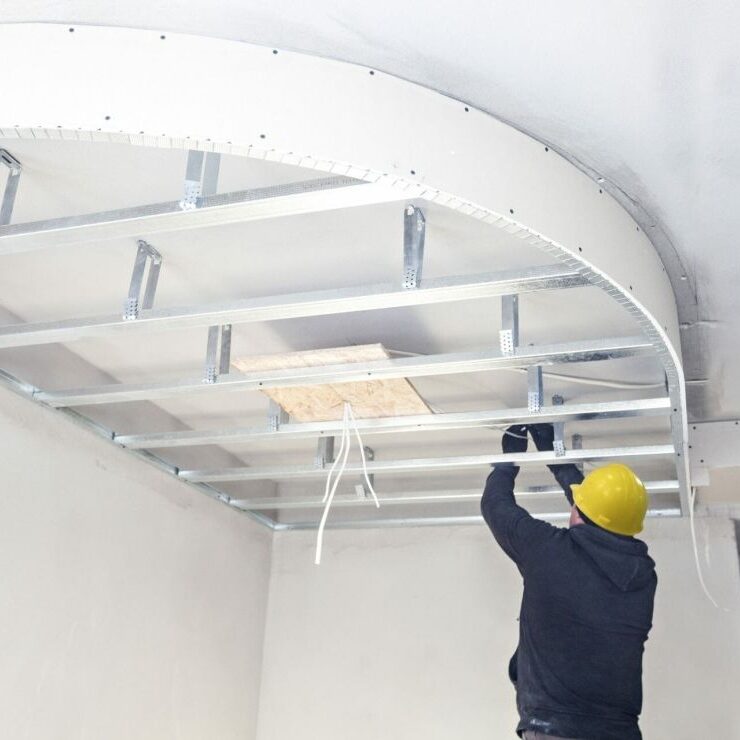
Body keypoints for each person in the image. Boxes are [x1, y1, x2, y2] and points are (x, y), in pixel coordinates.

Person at [480, 424, 656, 740]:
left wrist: (507, 462)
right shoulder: (642, 576)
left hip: (558, 731)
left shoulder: (548, 550)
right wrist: (559, 463)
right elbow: (598, 522)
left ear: (577, 512)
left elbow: (496, 506)